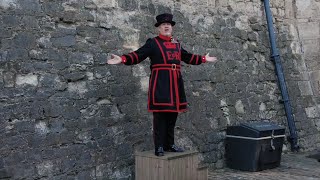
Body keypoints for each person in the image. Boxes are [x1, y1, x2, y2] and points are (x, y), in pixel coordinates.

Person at [107, 13, 217, 156]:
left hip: (175, 84)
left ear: (171, 27)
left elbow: (188, 57)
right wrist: (122, 59)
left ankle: (170, 144)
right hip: (160, 83)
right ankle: (159, 146)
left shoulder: (177, 44)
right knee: (160, 116)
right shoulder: (153, 43)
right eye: (163, 25)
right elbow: (138, 55)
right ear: (158, 28)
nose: (166, 26)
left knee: (172, 116)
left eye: (169, 24)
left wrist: (203, 58)